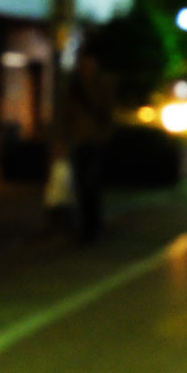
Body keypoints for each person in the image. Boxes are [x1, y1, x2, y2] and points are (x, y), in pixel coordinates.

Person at [63, 43, 115, 244]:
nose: (86, 64)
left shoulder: (101, 84)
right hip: (79, 142)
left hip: (96, 142)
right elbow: (66, 115)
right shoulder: (73, 85)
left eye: (89, 60)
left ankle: (93, 227)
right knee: (81, 185)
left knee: (92, 185)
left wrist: (105, 137)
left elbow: (107, 113)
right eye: (83, 60)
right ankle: (87, 227)